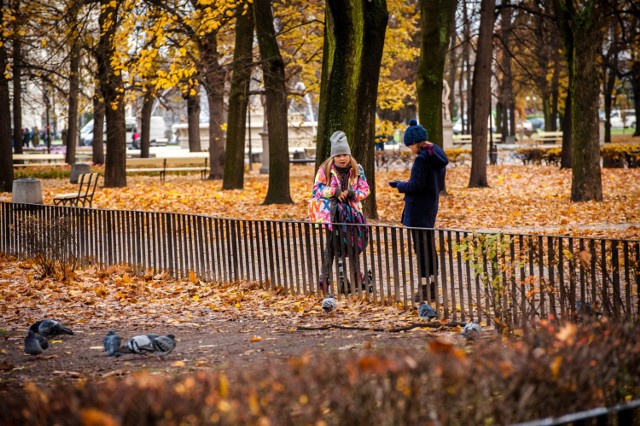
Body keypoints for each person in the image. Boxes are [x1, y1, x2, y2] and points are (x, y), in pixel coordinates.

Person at [389, 119, 449, 302]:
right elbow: (429, 183)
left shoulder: (422, 160)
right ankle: (431, 285)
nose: (410, 149)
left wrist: (400, 185)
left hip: (418, 210)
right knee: (429, 248)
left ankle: (424, 289)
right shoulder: (436, 153)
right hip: (430, 206)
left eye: (410, 146)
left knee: (421, 250)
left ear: (415, 143)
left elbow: (416, 186)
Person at [309, 130, 371, 294]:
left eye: (345, 154)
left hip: (352, 213)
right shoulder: (325, 169)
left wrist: (353, 194)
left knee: (354, 244)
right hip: (333, 213)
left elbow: (365, 189)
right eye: (338, 155)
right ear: (333, 157)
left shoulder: (357, 169)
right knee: (331, 245)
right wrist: (334, 191)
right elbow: (317, 190)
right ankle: (325, 279)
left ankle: (357, 276)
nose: (342, 158)